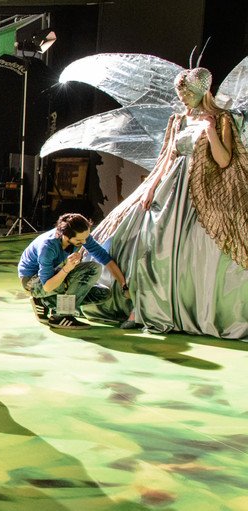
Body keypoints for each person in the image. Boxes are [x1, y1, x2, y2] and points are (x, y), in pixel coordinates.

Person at [84, 66, 247, 339]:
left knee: (194, 251)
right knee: (147, 242)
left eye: (188, 94)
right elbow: (167, 158)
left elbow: (223, 161)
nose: (183, 99)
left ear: (201, 91)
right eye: (180, 95)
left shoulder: (221, 119)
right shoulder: (178, 120)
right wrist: (150, 187)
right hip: (171, 189)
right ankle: (142, 308)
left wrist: (210, 130)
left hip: (203, 191)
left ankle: (188, 310)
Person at [18, 213, 128, 330]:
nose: (84, 242)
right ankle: (61, 316)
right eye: (79, 240)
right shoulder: (48, 246)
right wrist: (67, 268)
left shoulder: (82, 237)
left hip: (52, 275)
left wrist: (124, 285)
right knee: (92, 268)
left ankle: (44, 301)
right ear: (66, 236)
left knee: (102, 293)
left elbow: (105, 258)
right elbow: (47, 287)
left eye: (86, 237)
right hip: (32, 282)